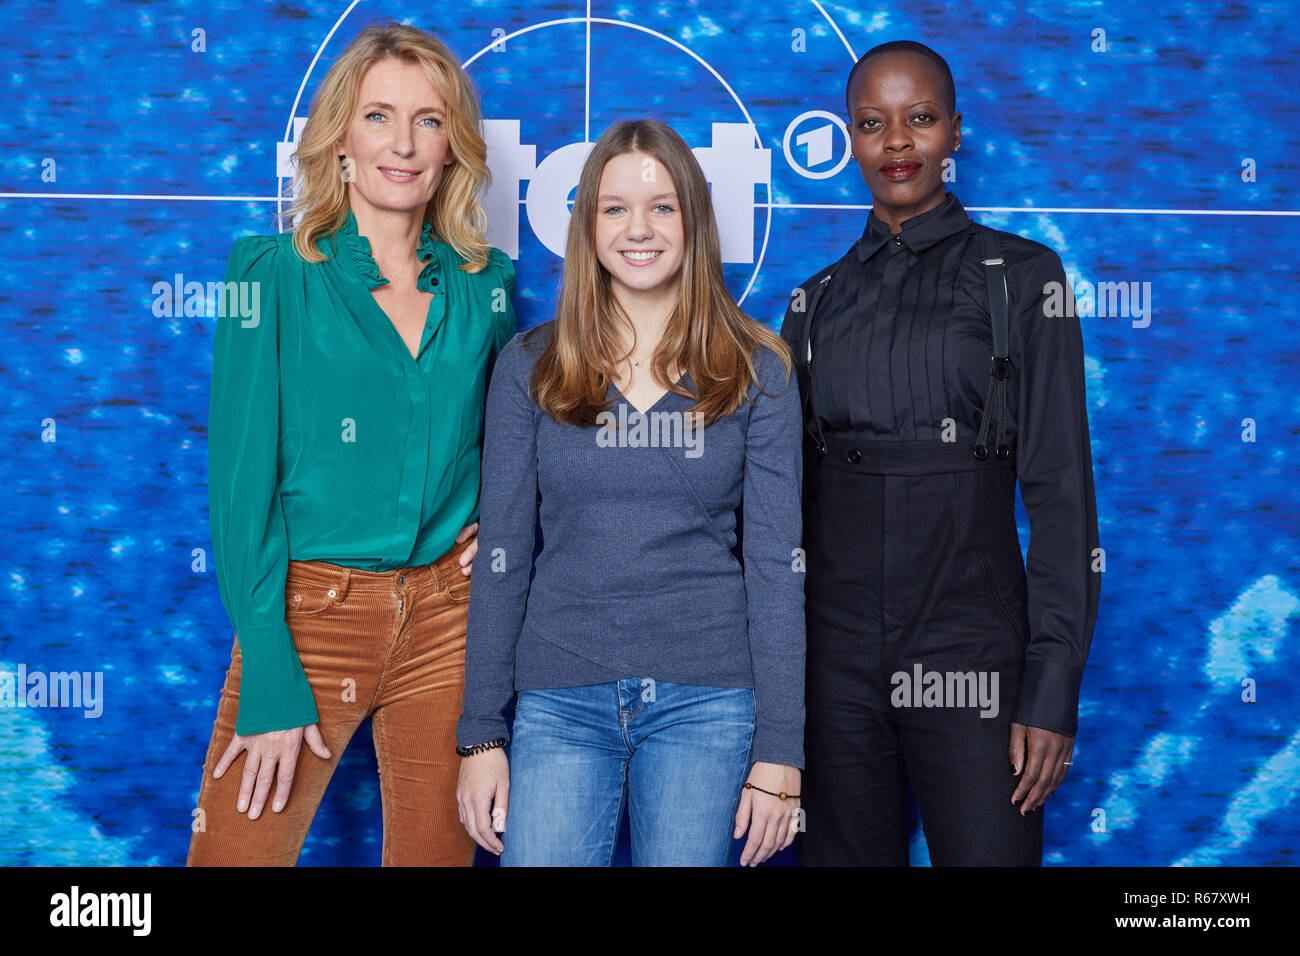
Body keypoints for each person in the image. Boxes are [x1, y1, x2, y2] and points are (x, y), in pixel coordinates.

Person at [187, 22, 517, 866]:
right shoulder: (269, 274)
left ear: (454, 147)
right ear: (339, 137)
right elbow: (238, 485)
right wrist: (267, 665)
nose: (403, 144)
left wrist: (510, 529)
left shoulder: (488, 285)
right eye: (379, 116)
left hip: (450, 621)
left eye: (429, 120)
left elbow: (515, 440)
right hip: (307, 618)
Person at [781, 40, 1100, 866]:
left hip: (975, 650)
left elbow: (1063, 495)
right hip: (835, 656)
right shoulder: (810, 305)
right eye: (873, 124)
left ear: (955, 133)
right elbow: (771, 504)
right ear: (848, 139)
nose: (897, 143)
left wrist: (1052, 685)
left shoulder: (1026, 279)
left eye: (919, 119)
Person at [454, 119, 805, 867]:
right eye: (615, 208)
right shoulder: (531, 366)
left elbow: (778, 570)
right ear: (586, 226)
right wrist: (481, 732)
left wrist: (782, 754)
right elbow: (503, 556)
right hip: (558, 696)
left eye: (662, 206)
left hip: (707, 701)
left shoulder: (759, 371)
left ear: (694, 223)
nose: (638, 229)